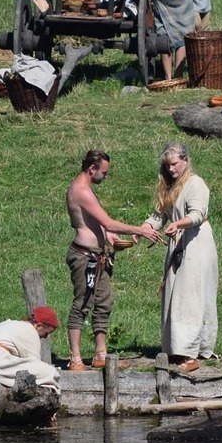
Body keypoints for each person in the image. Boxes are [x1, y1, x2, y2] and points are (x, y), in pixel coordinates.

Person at [66, 149, 163, 372]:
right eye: (104, 173)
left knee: (103, 302)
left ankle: (101, 354)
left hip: (99, 255)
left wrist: (106, 236)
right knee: (82, 304)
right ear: (92, 169)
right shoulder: (82, 190)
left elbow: (94, 221)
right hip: (85, 256)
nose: (106, 177)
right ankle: (75, 358)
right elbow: (108, 222)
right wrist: (140, 230)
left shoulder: (86, 188)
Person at [142, 142, 218, 373]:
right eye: (168, 165)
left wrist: (178, 223)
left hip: (196, 244)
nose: (171, 169)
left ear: (185, 161)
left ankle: (192, 352)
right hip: (178, 243)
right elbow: (159, 214)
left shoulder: (196, 184)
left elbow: (197, 214)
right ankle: (177, 349)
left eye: (175, 164)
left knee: (190, 296)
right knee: (175, 294)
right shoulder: (169, 185)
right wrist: (142, 230)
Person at [0, 306, 62, 393]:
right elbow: (35, 364)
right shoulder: (30, 330)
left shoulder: (7, 323)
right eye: (46, 333)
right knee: (50, 372)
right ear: (39, 325)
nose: (45, 337)